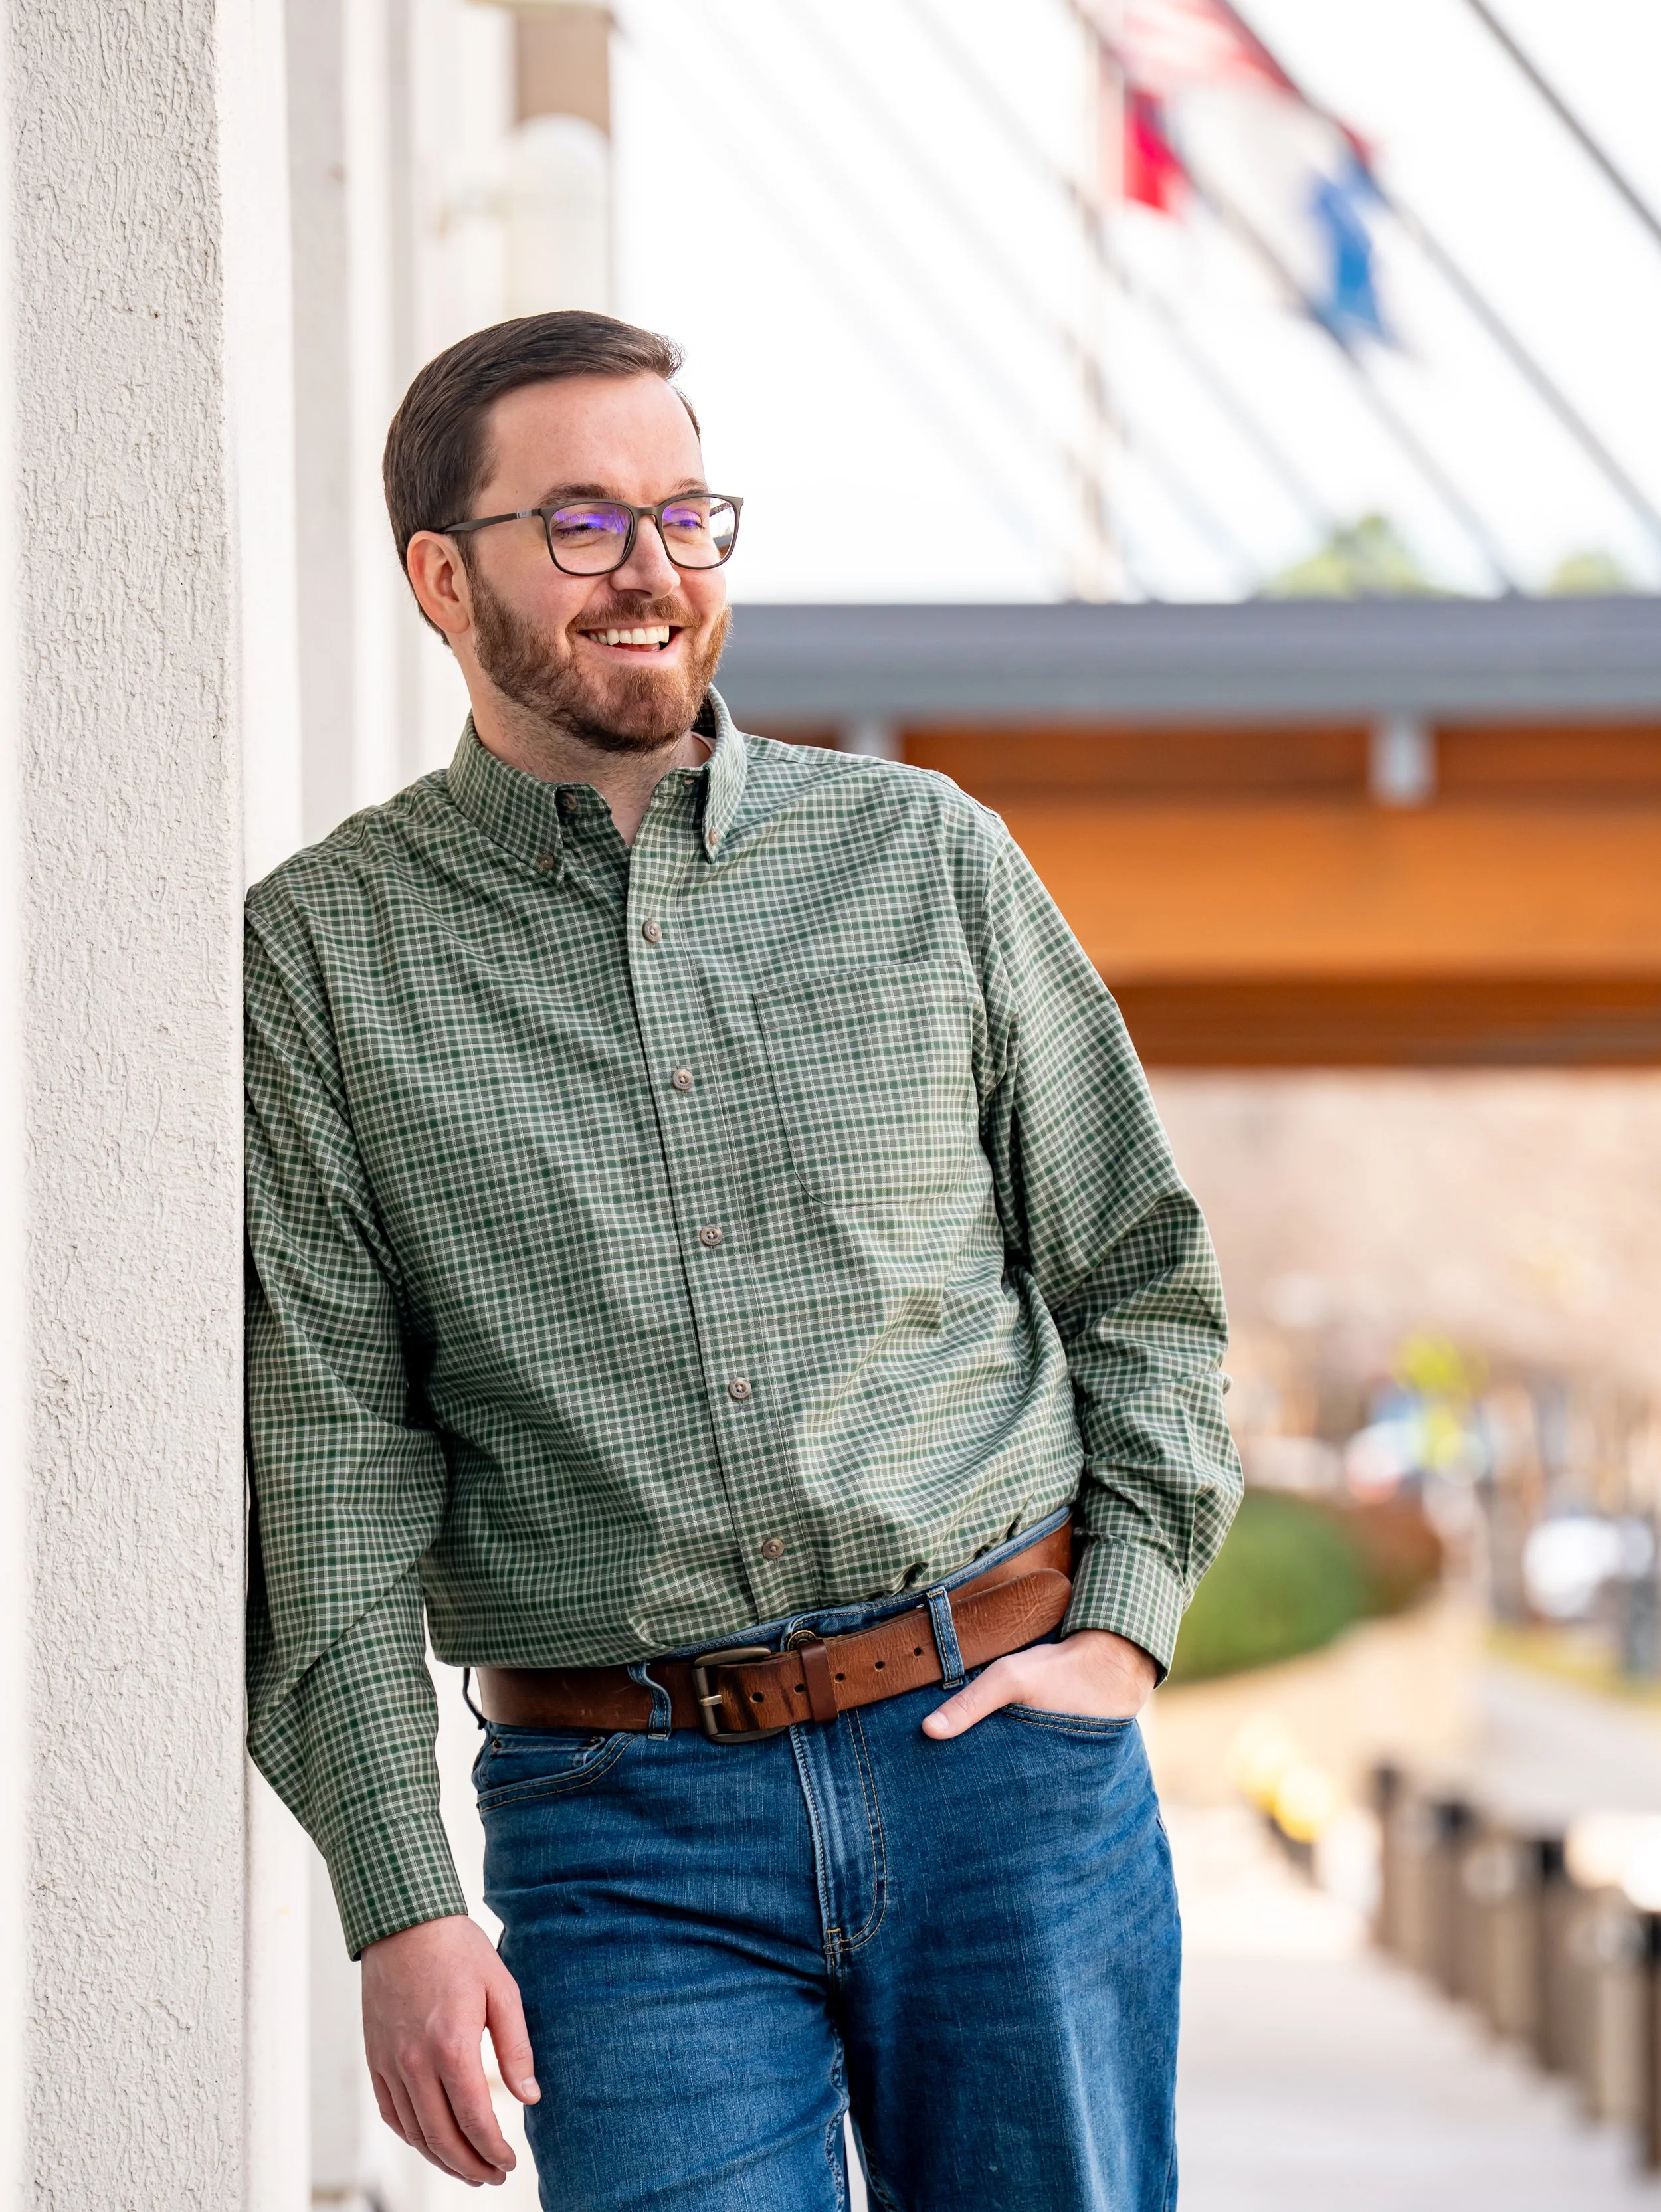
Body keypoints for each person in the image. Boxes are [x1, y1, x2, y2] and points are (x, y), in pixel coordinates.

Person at [245, 309, 1242, 2211]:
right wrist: (398, 1903)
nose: (652, 573)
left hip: (1003, 1777)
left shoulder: (924, 857)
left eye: (687, 514)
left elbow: (1134, 1271)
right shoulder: (319, 959)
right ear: (442, 579)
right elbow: (324, 1462)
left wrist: (1120, 1619)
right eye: (585, 523)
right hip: (623, 1841)